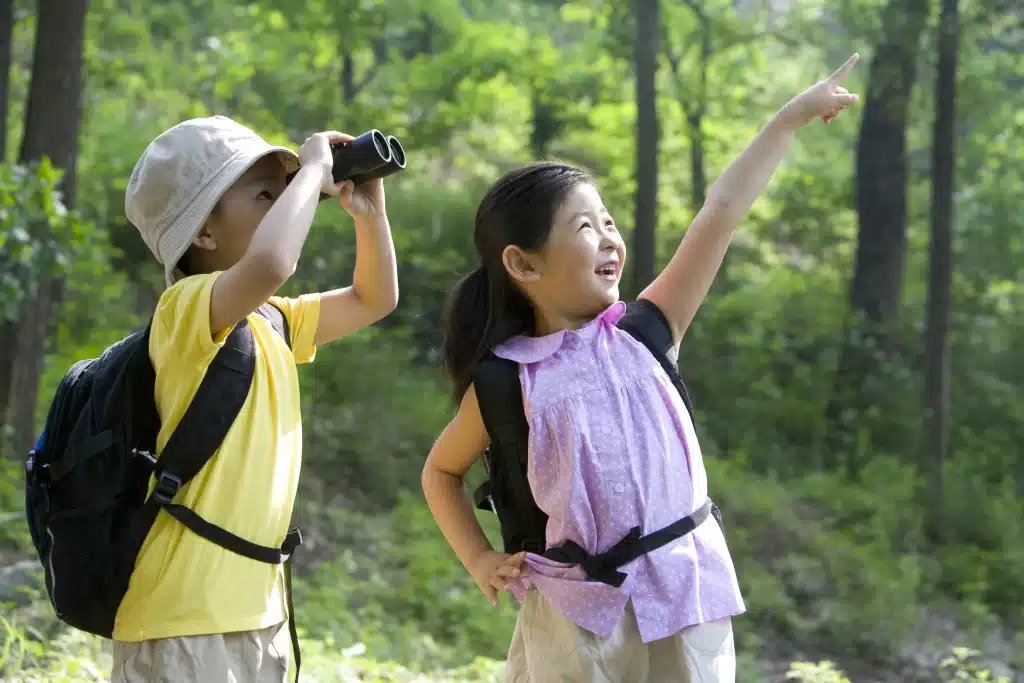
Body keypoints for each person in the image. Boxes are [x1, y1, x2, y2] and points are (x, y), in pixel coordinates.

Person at [420, 55, 860, 682]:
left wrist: (789, 120)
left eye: (609, 223)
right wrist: (478, 558)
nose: (608, 238)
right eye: (584, 227)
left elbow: (721, 212)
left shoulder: (647, 332)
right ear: (523, 264)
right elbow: (441, 471)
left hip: (685, 595)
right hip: (576, 616)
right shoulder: (507, 381)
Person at [113, 115, 399, 682]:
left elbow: (375, 298)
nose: (291, 200)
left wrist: (371, 215)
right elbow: (272, 263)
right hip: (182, 618)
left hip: (257, 608)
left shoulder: (271, 319)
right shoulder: (186, 310)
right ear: (203, 233)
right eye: (268, 192)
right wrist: (313, 168)